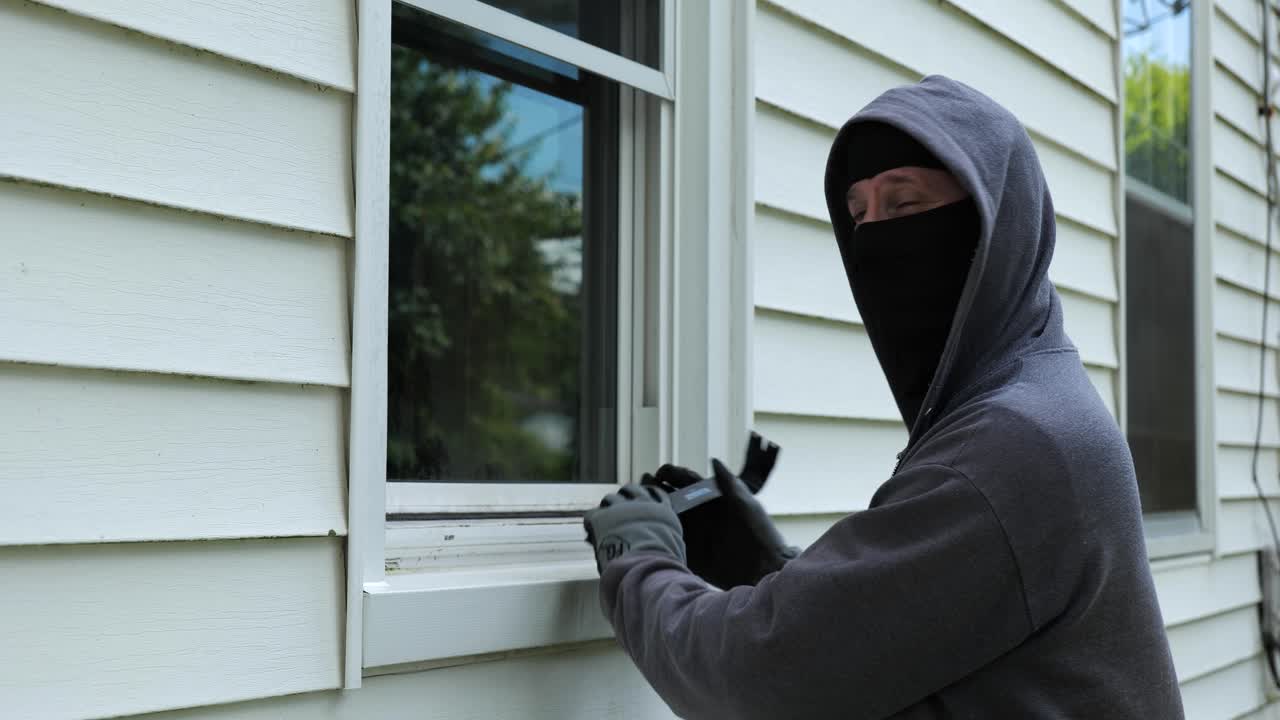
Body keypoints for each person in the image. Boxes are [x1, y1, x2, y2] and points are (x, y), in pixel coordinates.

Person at [582, 75, 1184, 719]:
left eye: (904, 204)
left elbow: (753, 680)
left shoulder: (1010, 446)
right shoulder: (1034, 400)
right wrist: (768, 566)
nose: (874, 241)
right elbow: (932, 628)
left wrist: (636, 560)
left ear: (992, 226)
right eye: (859, 213)